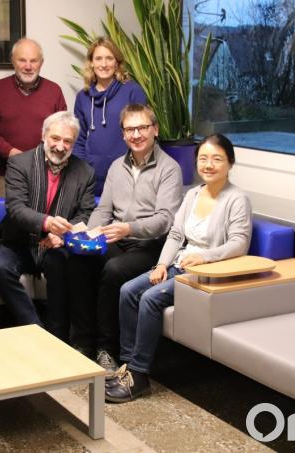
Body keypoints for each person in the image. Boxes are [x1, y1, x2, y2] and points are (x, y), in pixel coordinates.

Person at [106, 134, 252, 403]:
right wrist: (161, 265)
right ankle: (127, 365)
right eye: (203, 158)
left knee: (150, 299)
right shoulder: (193, 194)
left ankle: (139, 376)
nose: (208, 164)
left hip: (208, 274)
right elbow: (175, 235)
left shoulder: (237, 199)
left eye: (217, 159)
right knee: (128, 290)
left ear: (230, 163)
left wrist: (205, 258)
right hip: (179, 266)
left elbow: (239, 244)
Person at [66, 104, 183, 373]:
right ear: (123, 134)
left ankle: (108, 348)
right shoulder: (117, 166)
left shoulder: (169, 169)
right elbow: (104, 209)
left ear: (155, 129)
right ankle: (83, 342)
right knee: (78, 259)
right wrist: (90, 233)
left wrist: (128, 228)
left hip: (151, 245)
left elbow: (165, 219)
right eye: (130, 129)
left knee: (114, 269)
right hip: (117, 238)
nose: (136, 134)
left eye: (142, 127)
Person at [0, 111, 95, 341]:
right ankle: (37, 331)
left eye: (68, 141)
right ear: (43, 135)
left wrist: (63, 237)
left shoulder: (85, 172)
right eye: (55, 138)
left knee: (61, 264)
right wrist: (47, 223)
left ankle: (60, 338)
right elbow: (15, 208)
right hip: (19, 241)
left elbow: (85, 214)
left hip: (57, 244)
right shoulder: (19, 163)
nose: (60, 146)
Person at [0, 38, 67, 197]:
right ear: (13, 61)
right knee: (10, 219)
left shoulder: (54, 91)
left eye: (33, 61)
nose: (28, 66)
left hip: (47, 174)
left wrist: (43, 154)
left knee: (43, 220)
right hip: (6, 174)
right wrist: (9, 151)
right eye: (22, 60)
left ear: (41, 63)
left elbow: (64, 131)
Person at [73, 37, 148, 195]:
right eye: (98, 58)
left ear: (117, 62)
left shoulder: (133, 91)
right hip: (92, 178)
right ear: (91, 63)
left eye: (109, 58)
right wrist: (82, 172)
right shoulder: (83, 97)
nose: (104, 64)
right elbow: (77, 139)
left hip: (127, 176)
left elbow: (144, 136)